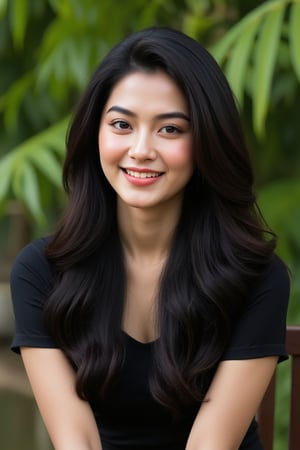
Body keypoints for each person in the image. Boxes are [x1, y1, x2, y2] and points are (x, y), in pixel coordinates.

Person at [10, 27, 290, 450]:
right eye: (122, 124)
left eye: (170, 130)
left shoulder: (255, 277)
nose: (140, 149)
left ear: (206, 142)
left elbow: (210, 445)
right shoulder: (42, 274)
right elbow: (77, 442)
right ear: (95, 134)